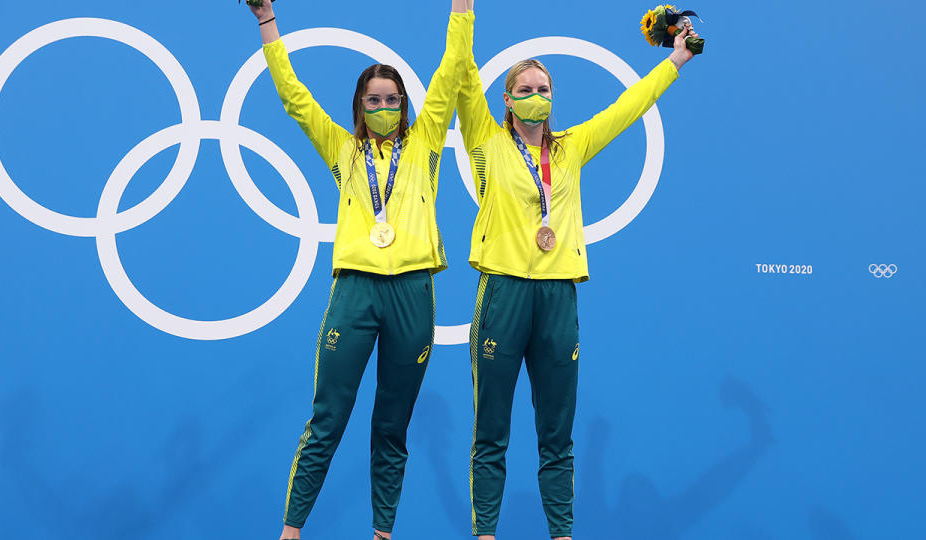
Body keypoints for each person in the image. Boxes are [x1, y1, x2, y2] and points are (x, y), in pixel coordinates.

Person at [456, 7, 701, 540]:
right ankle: (485, 535)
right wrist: (462, 8)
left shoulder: (571, 148)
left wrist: (676, 60)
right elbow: (461, 71)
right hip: (501, 293)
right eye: (524, 88)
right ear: (506, 98)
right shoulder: (487, 141)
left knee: (557, 436)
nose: (535, 95)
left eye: (543, 87)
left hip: (559, 298)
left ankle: (562, 535)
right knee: (491, 432)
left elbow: (628, 107)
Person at [244, 1, 472, 538]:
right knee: (327, 419)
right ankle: (291, 531)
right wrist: (266, 21)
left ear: (406, 105)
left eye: (393, 100)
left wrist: (462, 5)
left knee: (392, 427)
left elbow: (455, 64)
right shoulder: (344, 151)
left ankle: (382, 532)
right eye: (375, 100)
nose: (385, 106)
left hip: (413, 293)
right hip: (355, 292)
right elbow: (295, 99)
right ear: (360, 106)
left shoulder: (426, 143)